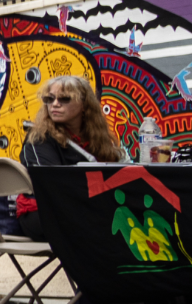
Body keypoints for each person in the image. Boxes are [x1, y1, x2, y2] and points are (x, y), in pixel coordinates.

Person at [17, 76, 127, 238]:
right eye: (49, 99)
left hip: (81, 210)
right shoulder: (39, 138)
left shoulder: (97, 138)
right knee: (111, 223)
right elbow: (52, 186)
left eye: (64, 99)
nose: (54, 104)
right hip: (41, 213)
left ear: (84, 104)